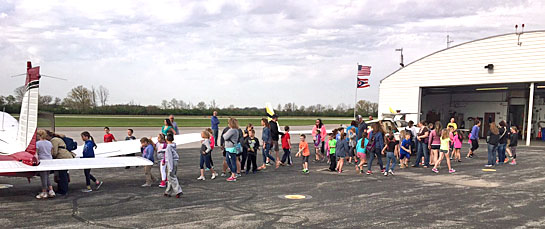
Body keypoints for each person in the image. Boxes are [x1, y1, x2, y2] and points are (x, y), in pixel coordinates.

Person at [47, 131, 74, 195]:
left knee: (62, 174)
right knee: (62, 174)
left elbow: (55, 152)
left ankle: (63, 190)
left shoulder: (54, 140)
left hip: (62, 158)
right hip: (65, 156)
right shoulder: (57, 139)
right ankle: (62, 189)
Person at [35, 130, 55, 199]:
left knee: (43, 177)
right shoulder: (49, 143)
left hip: (42, 161)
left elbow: (36, 153)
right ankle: (51, 190)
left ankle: (44, 192)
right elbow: (52, 152)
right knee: (47, 176)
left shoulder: (38, 143)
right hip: (49, 160)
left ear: (39, 136)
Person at [164, 133, 182, 198]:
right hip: (175, 161)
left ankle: (178, 190)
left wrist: (170, 167)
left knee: (171, 176)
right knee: (170, 178)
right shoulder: (173, 145)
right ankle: (168, 191)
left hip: (171, 162)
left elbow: (169, 158)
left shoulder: (168, 147)